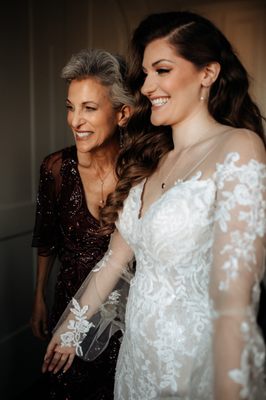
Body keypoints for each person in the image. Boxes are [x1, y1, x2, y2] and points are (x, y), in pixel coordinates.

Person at [41, 11, 266, 400]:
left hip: (194, 365)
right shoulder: (149, 161)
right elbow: (113, 262)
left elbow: (235, 300)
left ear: (207, 73)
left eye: (161, 70)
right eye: (145, 74)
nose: (147, 86)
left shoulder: (239, 148)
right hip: (137, 360)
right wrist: (72, 327)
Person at [30, 48, 133, 400]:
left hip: (127, 313)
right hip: (68, 298)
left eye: (89, 108)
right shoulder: (55, 169)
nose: (75, 121)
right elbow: (46, 238)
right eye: (70, 107)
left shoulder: (141, 170)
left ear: (122, 113)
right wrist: (39, 296)